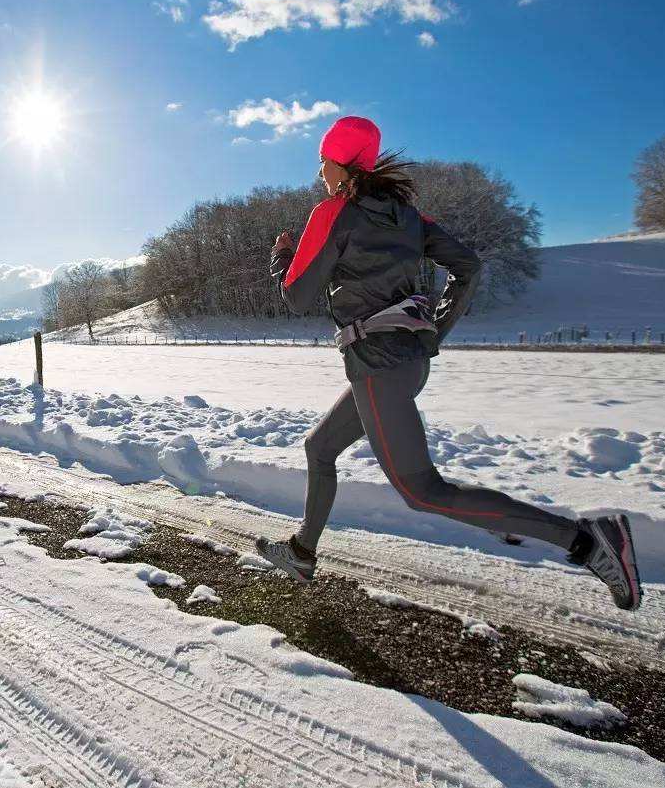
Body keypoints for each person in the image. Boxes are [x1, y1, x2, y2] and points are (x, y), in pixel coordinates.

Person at [254, 115, 643, 611]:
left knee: (422, 490)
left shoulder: (332, 213)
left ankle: (587, 540)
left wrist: (283, 259)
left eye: (322, 163)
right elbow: (469, 266)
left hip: (377, 365)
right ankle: (302, 552)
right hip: (406, 363)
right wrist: (435, 330)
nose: (320, 174)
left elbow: (297, 296)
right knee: (320, 447)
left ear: (339, 163)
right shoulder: (409, 217)